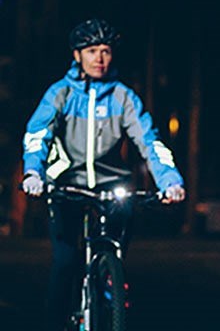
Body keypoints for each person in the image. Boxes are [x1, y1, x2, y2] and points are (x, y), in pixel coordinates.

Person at [21, 18, 186, 331]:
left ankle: (109, 299)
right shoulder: (61, 94)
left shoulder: (123, 98)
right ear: (77, 55)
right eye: (92, 50)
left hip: (113, 186)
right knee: (66, 262)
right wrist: (33, 173)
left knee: (114, 254)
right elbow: (37, 135)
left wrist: (171, 181)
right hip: (66, 185)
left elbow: (150, 141)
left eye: (106, 51)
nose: (100, 58)